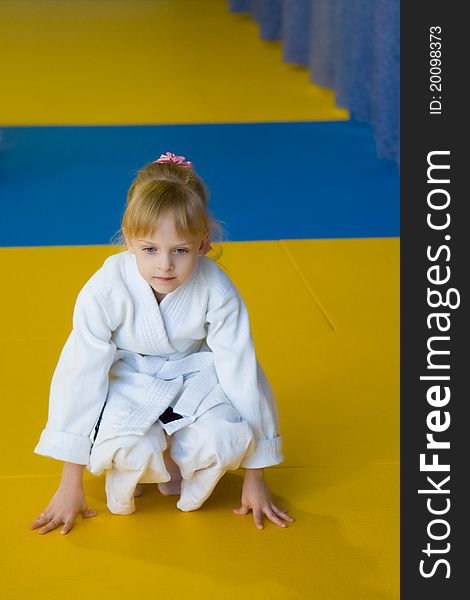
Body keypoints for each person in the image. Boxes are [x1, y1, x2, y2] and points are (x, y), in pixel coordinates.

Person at [30, 152, 294, 535]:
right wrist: (69, 484)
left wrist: (256, 477)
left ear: (203, 244)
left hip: (195, 379)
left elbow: (241, 371)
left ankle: (182, 463)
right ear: (129, 240)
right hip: (129, 380)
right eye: (150, 249)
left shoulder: (216, 288)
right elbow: (80, 374)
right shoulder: (106, 288)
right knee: (128, 450)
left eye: (180, 250)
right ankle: (144, 462)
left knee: (224, 440)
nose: (165, 266)